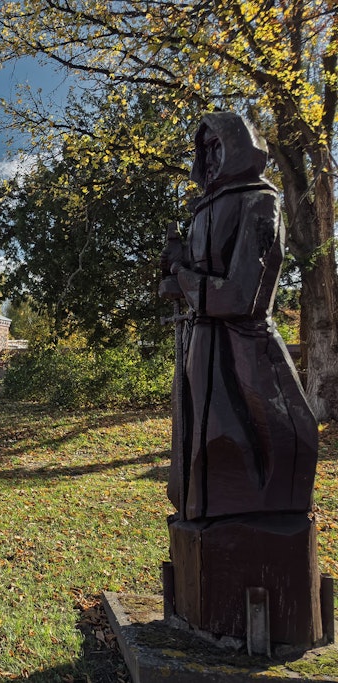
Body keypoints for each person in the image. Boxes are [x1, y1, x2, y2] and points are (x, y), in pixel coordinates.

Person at [159, 112, 317, 521]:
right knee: (202, 449)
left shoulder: (260, 201)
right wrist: (173, 270)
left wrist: (181, 273)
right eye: (204, 148)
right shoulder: (201, 212)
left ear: (241, 147)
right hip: (201, 349)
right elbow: (193, 287)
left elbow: (240, 295)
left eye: (218, 146)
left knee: (265, 449)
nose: (210, 157)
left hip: (245, 350)